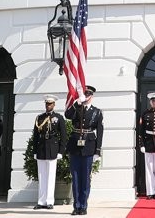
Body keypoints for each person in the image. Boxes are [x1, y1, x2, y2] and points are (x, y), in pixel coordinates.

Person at [65, 86, 103, 216]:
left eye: (88, 94)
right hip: (75, 146)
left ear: (91, 95)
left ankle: (84, 205)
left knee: (85, 178)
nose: (85, 96)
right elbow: (67, 115)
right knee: (75, 177)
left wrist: (98, 150)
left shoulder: (97, 112)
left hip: (89, 147)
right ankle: (76, 206)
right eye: (84, 94)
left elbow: (100, 132)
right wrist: (76, 103)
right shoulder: (77, 108)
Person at [33, 96, 68, 210]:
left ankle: (49, 201)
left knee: (51, 175)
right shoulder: (40, 117)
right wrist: (34, 151)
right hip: (41, 149)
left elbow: (63, 136)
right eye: (47, 104)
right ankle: (41, 201)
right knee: (42, 176)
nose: (48, 106)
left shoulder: (58, 118)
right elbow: (35, 136)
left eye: (50, 104)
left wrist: (61, 151)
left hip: (53, 148)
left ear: (54, 105)